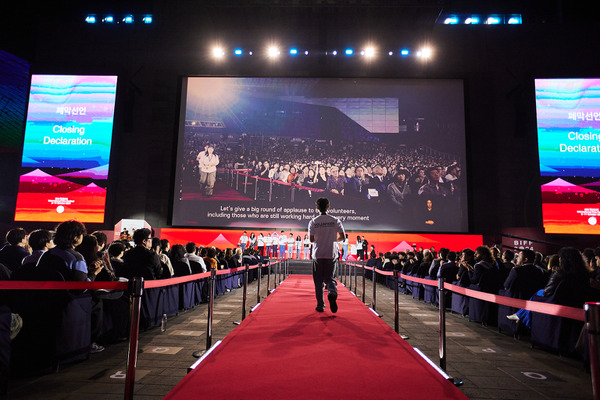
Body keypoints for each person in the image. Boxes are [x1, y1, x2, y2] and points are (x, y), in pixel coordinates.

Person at [308, 197, 345, 313]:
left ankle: (320, 305)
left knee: (318, 281)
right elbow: (342, 237)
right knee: (330, 278)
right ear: (328, 207)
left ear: (317, 208)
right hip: (331, 253)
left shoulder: (313, 221)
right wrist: (332, 238)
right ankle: (332, 293)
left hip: (318, 254)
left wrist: (321, 238)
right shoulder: (335, 220)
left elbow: (311, 239)